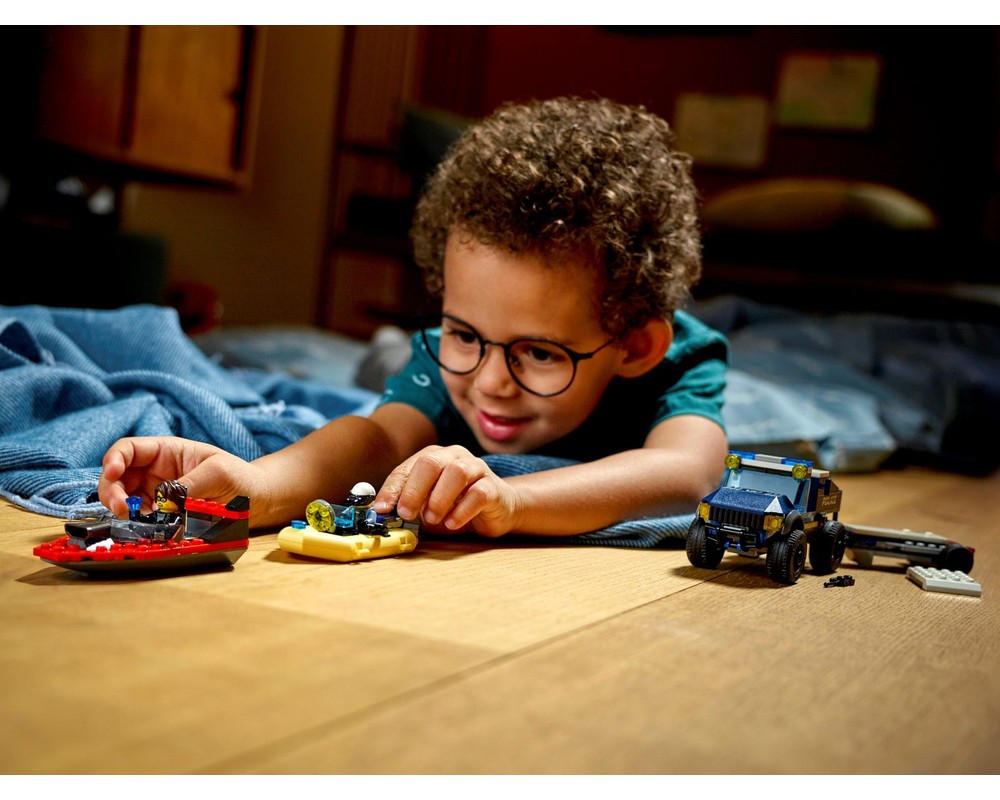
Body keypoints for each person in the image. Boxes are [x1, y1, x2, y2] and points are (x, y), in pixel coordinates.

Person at [99, 96, 729, 538]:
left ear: (635, 347)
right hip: (418, 364)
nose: (490, 383)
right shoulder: (445, 361)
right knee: (400, 367)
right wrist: (255, 484)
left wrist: (512, 499)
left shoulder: (679, 361)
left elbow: (688, 472)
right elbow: (378, 440)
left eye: (539, 352)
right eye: (465, 332)